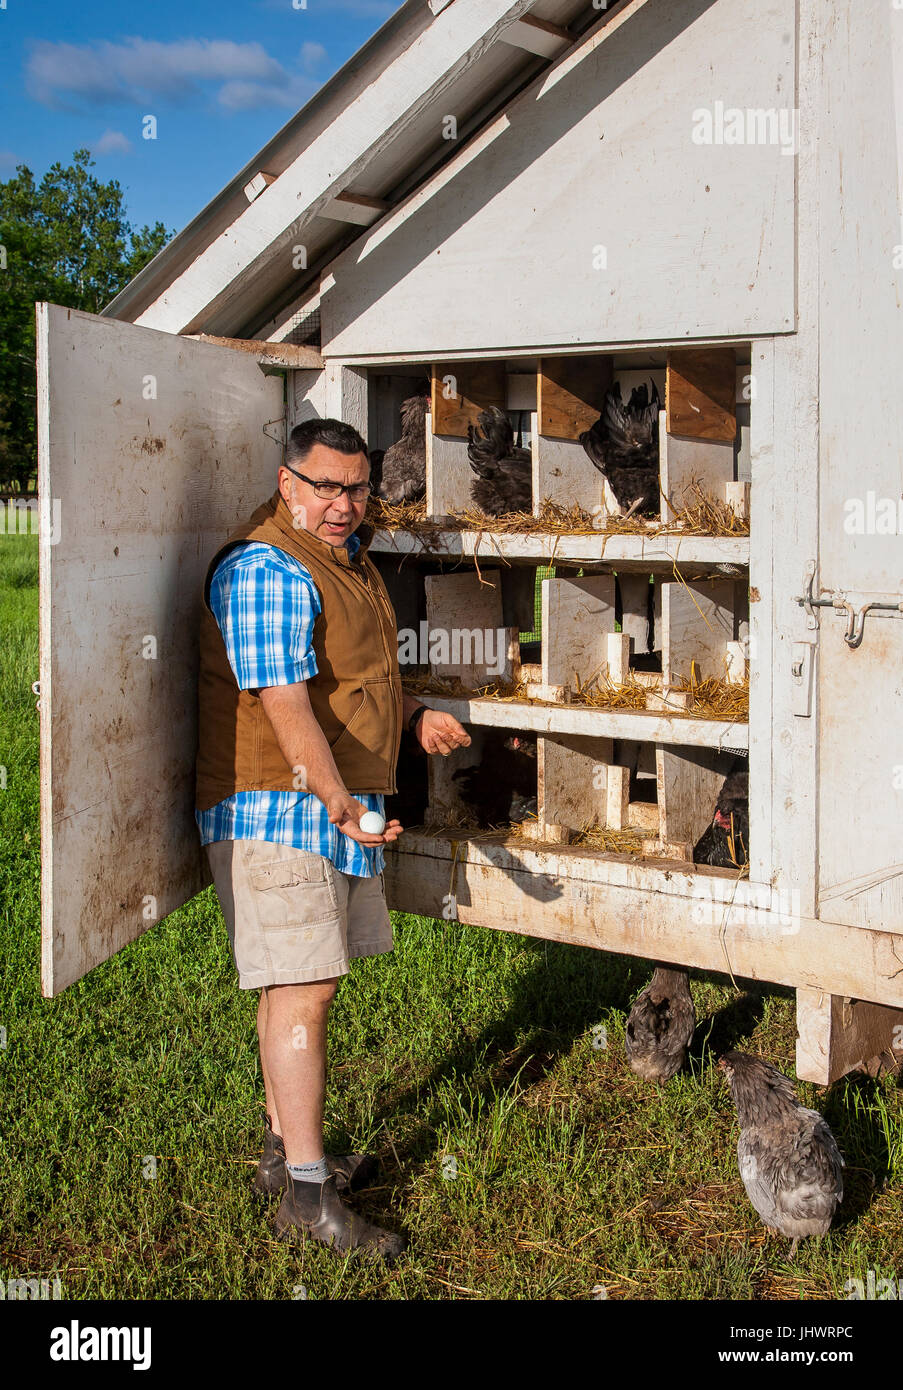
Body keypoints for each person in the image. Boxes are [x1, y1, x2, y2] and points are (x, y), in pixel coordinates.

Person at [195, 417, 470, 1259]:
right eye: (325, 486)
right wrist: (341, 804)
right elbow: (283, 704)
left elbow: (351, 682)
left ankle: (287, 1158)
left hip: (325, 802)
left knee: (299, 988)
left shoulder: (341, 564)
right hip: (280, 808)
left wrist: (413, 719)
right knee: (302, 990)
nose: (344, 504)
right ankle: (310, 1199)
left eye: (356, 488)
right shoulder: (267, 567)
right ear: (287, 484)